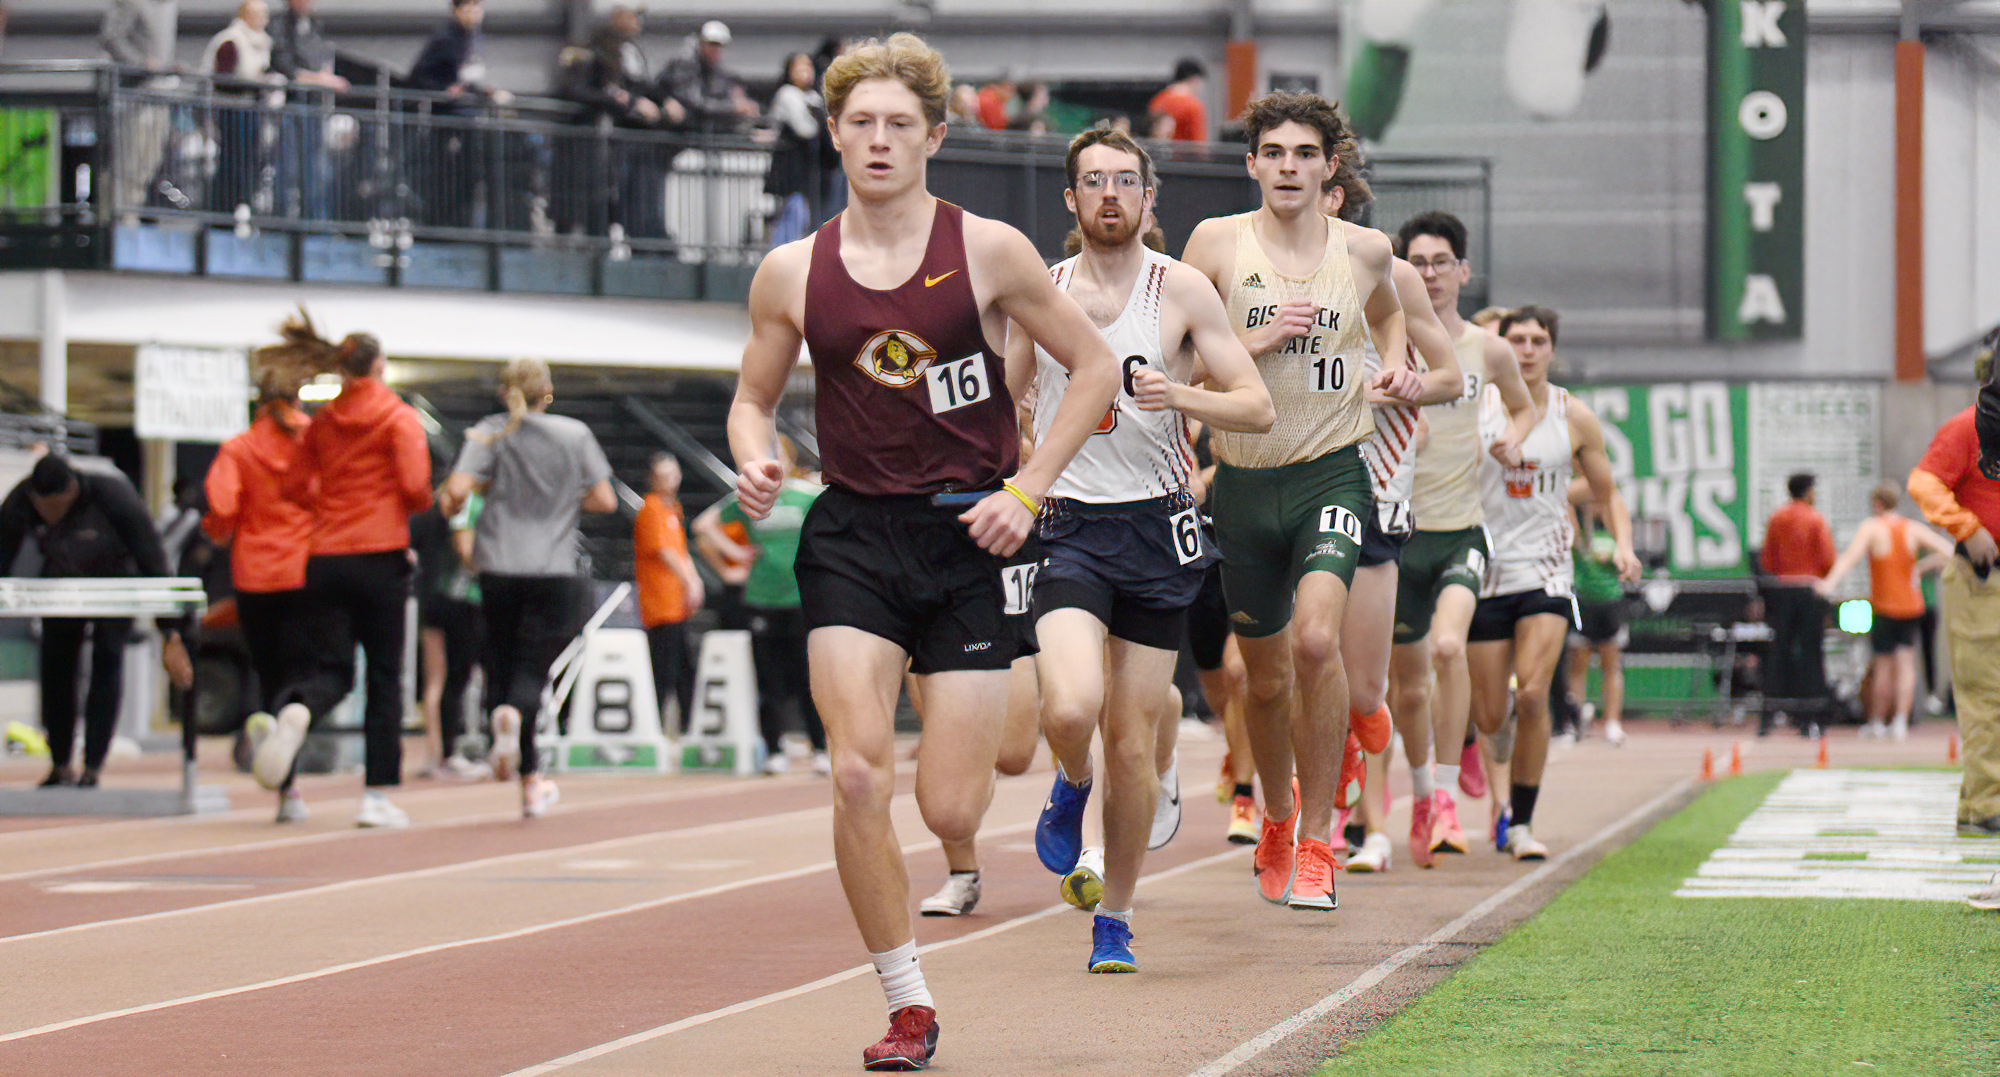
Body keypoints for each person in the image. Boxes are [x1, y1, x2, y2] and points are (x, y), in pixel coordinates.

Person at [724, 32, 1118, 1070]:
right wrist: (754, 458)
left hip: (972, 534)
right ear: (835, 134)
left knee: (952, 800)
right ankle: (906, 1000)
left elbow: (1092, 371)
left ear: (935, 136)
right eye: (860, 122)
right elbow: (751, 400)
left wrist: (1026, 492)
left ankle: (1053, 759)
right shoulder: (790, 270)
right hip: (852, 532)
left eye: (900, 123)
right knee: (856, 777)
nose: (879, 140)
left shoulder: (987, 249)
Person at [1179, 90, 1455, 911]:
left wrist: (1409, 378)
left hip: (1333, 474)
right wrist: (1250, 344)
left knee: (1315, 640)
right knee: (1260, 683)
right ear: (1252, 162)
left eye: (1306, 154)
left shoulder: (1368, 253)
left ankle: (1319, 842)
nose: (1290, 167)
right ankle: (1275, 812)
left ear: (1329, 166)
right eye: (1275, 153)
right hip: (1243, 482)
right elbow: (1178, 373)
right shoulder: (1214, 245)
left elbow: (1444, 373)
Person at [1017, 126, 1272, 972]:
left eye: (1126, 180)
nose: (1111, 195)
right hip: (1068, 528)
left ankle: (1115, 918)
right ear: (1072, 199)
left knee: (1131, 744)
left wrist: (1184, 392)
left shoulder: (1183, 289)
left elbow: (1256, 405)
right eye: (1094, 182)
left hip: (1159, 528)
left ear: (1149, 197)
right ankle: (1068, 779)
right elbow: (1002, 399)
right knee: (1068, 707)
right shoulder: (1041, 290)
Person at [1380, 211, 1534, 868]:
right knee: (1404, 688)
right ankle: (1421, 792)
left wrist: (1512, 439)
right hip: (1396, 533)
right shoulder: (1389, 339)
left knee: (1450, 645)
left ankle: (1445, 792)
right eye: (1418, 261)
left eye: (1443, 261)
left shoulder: (1487, 349)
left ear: (1463, 271)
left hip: (1461, 531)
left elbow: (1523, 406)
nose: (1432, 273)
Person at [1465, 305, 1638, 861]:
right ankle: (1496, 757)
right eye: (1518, 339)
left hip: (1545, 571)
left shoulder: (1575, 415)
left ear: (1552, 349)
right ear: (1503, 346)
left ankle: (1521, 823)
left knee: (1534, 692)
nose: (1528, 349)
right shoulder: (1479, 405)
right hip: (1484, 568)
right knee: (1492, 715)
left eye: (1539, 340)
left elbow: (1607, 489)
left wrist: (1625, 545)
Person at [253, 313, 430, 828]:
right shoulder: (398, 419)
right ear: (378, 366)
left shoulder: (324, 422)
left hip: (325, 557)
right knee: (384, 677)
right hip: (381, 557)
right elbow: (417, 489)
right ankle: (375, 795)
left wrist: (327, 501)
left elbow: (292, 485)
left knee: (329, 670)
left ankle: (299, 709)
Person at [441, 359, 616, 817]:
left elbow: (457, 490)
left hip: (498, 567)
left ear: (504, 392)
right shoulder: (574, 434)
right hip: (553, 567)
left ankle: (520, 761)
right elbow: (605, 498)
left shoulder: (490, 432)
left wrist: (484, 491)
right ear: (548, 391)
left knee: (500, 660)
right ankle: (528, 771)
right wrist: (560, 498)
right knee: (532, 670)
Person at [1, 454, 191, 788]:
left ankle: (93, 764)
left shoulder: (112, 496)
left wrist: (171, 633)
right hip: (60, 584)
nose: (52, 515)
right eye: (45, 509)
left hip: (115, 582)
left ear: (73, 490)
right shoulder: (21, 500)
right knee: (56, 665)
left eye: (59, 506)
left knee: (108, 657)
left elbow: (153, 560)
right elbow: (1, 554)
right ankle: (60, 762)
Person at [202, 364, 315, 814]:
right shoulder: (314, 441)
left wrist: (221, 530)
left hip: (253, 575)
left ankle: (261, 724)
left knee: (263, 669)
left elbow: (222, 508)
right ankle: (290, 789)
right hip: (303, 572)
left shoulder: (238, 448)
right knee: (302, 679)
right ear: (300, 398)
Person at [694, 436, 828, 775]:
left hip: (801, 598)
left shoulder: (806, 494)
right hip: (761, 599)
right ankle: (773, 749)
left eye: (777, 455)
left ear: (787, 459)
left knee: (809, 677)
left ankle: (821, 749)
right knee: (769, 680)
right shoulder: (749, 499)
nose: (772, 462)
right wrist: (734, 556)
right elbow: (703, 525)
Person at [1907, 362, 2000, 839]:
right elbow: (1924, 483)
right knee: (1986, 695)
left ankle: (1977, 804)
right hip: (1982, 580)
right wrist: (1968, 527)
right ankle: (1988, 805)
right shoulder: (1969, 427)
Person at [1816, 484, 1955, 741]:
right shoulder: (1912, 528)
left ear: (1877, 503)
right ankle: (1901, 721)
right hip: (1912, 605)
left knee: (1882, 665)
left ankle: (1878, 720)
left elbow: (1849, 557)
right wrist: (1920, 567)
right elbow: (1948, 550)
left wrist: (1829, 583)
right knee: (1905, 664)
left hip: (1885, 606)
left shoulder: (1872, 527)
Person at [410, 490, 485, 779]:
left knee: (435, 680)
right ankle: (446, 754)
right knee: (455, 678)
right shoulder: (468, 506)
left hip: (430, 599)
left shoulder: (429, 510)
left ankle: (435, 754)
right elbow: (465, 551)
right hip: (458, 601)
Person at [1759, 472, 1837, 737]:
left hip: (1782, 592)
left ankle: (1769, 715)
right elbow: (1828, 559)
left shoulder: (1777, 518)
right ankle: (1811, 717)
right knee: (1812, 653)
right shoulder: (1815, 519)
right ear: (1808, 491)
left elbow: (1767, 560)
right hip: (1808, 591)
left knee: (1779, 652)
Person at [634, 453, 702, 736]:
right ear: (653, 478)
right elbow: (664, 551)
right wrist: (691, 581)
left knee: (683, 669)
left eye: (673, 473)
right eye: (663, 474)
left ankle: (688, 727)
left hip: (676, 602)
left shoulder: (673, 509)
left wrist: (692, 580)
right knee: (665, 670)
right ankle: (658, 729)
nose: (670, 479)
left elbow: (681, 551)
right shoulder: (650, 509)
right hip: (660, 603)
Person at [266, 0, 347, 219]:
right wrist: (319, 79)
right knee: (287, 162)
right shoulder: (280, 25)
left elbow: (320, 53)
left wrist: (324, 75)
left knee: (315, 164)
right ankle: (281, 216)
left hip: (313, 104)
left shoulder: (314, 23)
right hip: (291, 102)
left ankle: (313, 217)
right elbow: (284, 64)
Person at [1564, 487, 1631, 747]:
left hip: (1610, 604)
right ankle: (1575, 720)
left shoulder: (1616, 532)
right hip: (1583, 602)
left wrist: (1617, 556)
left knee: (1610, 663)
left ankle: (1613, 723)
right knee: (1578, 664)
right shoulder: (1578, 530)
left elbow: (1623, 553)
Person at [203, 0, 281, 215]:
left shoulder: (263, 42)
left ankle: (240, 206)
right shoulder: (231, 40)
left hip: (251, 109)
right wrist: (254, 82)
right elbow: (223, 78)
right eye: (257, 14)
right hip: (232, 110)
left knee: (248, 162)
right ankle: (223, 211)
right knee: (232, 162)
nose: (262, 20)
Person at [100, 0, 178, 214]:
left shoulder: (170, 6)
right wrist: (141, 64)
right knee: (127, 165)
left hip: (160, 95)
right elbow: (111, 38)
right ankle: (118, 223)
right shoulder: (132, 2)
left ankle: (130, 219)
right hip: (133, 97)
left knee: (147, 166)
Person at [767, 51, 829, 245]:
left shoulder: (814, 97)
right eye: (799, 66)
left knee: (808, 218)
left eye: (808, 66)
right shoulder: (787, 94)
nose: (805, 71)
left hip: (812, 169)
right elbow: (806, 129)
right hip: (790, 170)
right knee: (791, 217)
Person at [659, 20, 757, 133]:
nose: (716, 50)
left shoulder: (710, 64)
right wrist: (733, 107)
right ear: (701, 43)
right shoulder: (685, 62)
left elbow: (721, 83)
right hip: (671, 125)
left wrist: (736, 96)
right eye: (712, 44)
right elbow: (695, 103)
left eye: (720, 45)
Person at [1148, 58, 1208, 143]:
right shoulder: (1193, 105)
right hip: (1184, 155)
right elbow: (1198, 143)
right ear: (1194, 79)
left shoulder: (1158, 100)